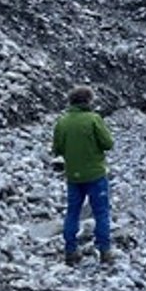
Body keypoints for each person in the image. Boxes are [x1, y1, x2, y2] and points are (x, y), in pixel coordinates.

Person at [51, 85, 115, 266]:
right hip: (95, 174)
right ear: (88, 100)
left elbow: (57, 149)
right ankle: (105, 252)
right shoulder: (94, 119)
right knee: (101, 213)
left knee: (72, 212)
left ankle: (70, 251)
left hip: (73, 176)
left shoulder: (62, 122)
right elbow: (108, 143)